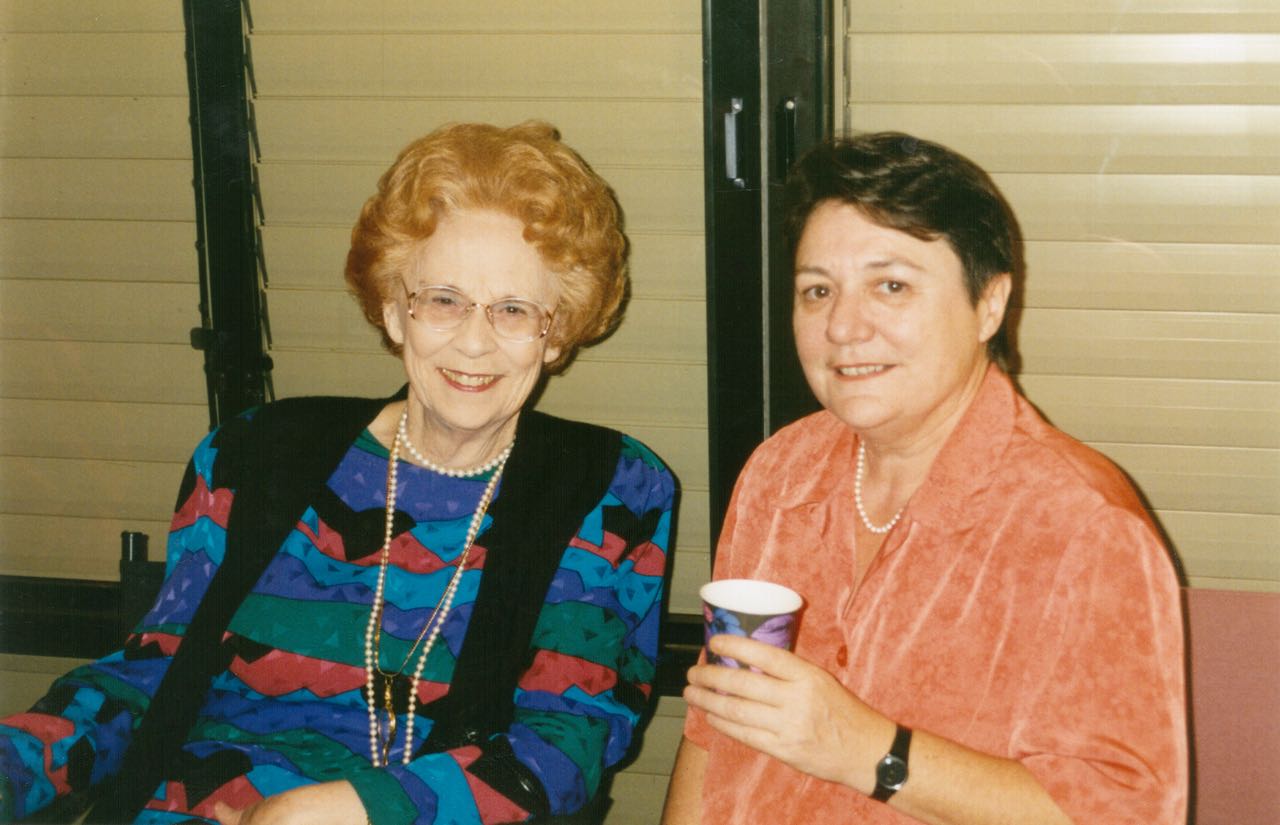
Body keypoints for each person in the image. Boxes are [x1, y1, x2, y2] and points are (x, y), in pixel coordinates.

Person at [0, 121, 676, 825]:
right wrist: (14, 764)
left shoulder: (609, 488)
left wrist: (338, 809)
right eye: (443, 300)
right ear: (393, 310)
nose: (474, 341)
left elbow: (565, 745)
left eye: (513, 309)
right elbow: (149, 674)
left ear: (557, 331)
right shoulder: (253, 453)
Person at [661, 132, 1187, 824]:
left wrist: (870, 751)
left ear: (989, 304)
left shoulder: (1081, 526)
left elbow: (1123, 813)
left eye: (891, 285)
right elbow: (714, 729)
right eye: (817, 290)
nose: (843, 327)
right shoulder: (779, 472)